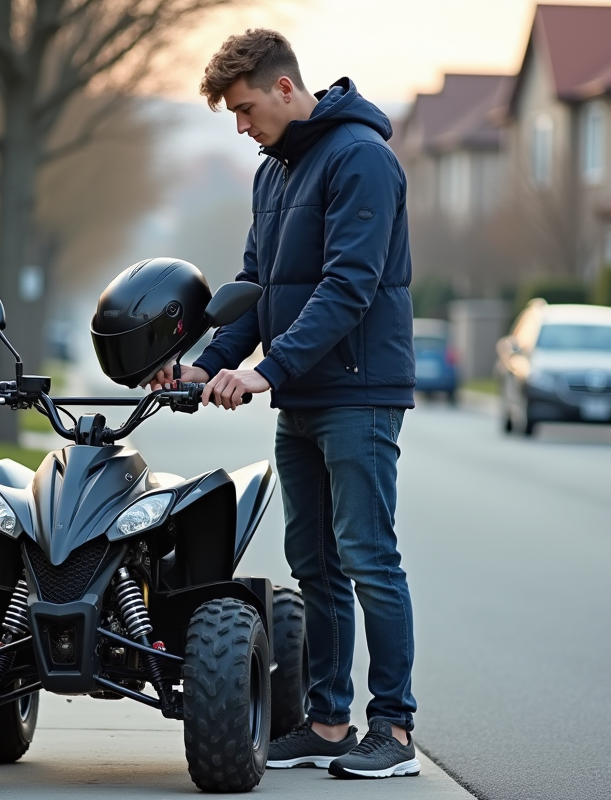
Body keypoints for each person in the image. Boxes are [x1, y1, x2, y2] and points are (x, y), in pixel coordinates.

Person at [148, 29, 419, 779]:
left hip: (359, 390)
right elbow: (254, 290)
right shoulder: (275, 173)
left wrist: (269, 371)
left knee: (367, 555)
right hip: (302, 393)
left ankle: (392, 732)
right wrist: (201, 367)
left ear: (285, 90)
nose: (241, 127)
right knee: (314, 560)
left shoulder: (361, 158)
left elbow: (349, 286)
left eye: (244, 109)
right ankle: (330, 722)